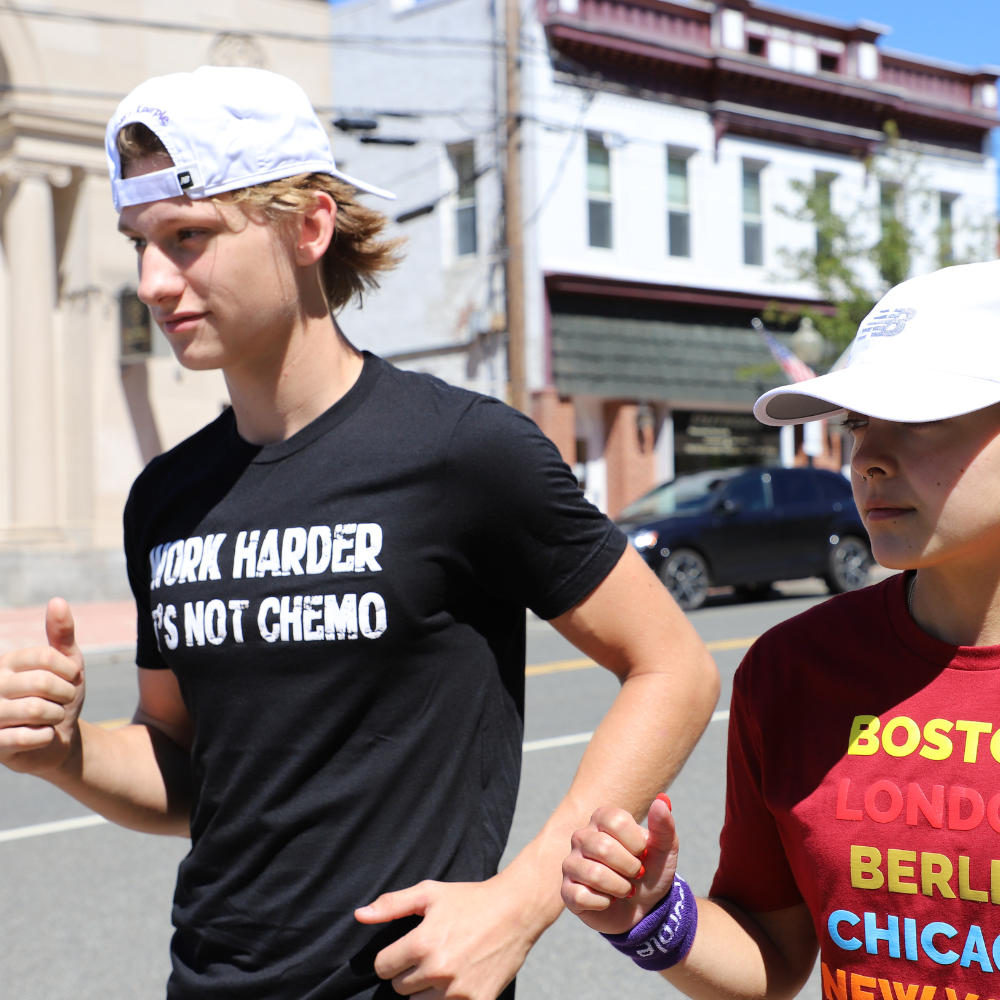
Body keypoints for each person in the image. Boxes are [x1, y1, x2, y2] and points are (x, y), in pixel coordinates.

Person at [0, 66, 719, 1000]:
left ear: (308, 227)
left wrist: (522, 900)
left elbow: (676, 670)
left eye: (188, 238)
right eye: (141, 243)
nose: (151, 281)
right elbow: (186, 769)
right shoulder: (165, 500)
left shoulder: (464, 451)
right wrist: (68, 752)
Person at [560, 260, 1000, 998]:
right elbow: (775, 954)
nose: (867, 458)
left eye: (918, 419)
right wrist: (649, 916)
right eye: (858, 423)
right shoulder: (791, 669)